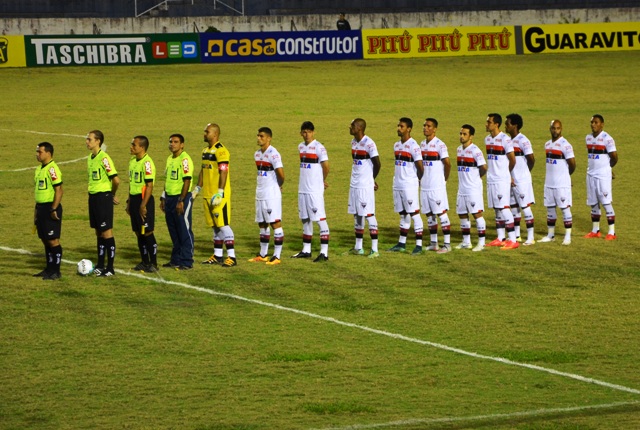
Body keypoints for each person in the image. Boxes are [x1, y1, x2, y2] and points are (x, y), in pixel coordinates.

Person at [196, 123, 237, 267]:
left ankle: (232, 256)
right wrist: (197, 188)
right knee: (215, 226)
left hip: (219, 195)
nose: (204, 134)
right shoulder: (205, 150)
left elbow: (224, 171)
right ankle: (218, 255)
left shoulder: (221, 151)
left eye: (206, 132)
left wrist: (220, 192)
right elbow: (203, 170)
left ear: (214, 134)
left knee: (223, 224)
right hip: (207, 194)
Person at [291, 121, 330, 262]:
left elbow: (326, 167)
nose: (307, 134)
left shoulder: (319, 148)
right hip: (302, 189)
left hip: (314, 191)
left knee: (320, 219)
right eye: (304, 132)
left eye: (309, 131)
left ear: (313, 132)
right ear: (301, 133)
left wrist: (321, 180)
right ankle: (306, 250)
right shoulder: (300, 147)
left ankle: (324, 253)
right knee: (305, 219)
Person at [247, 127, 285, 266]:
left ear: (269, 138)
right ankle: (263, 254)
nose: (258, 138)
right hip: (260, 194)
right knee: (262, 224)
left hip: (271, 195)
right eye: (258, 135)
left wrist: (278, 186)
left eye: (261, 136)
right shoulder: (257, 154)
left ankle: (277, 256)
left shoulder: (274, 154)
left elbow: (281, 174)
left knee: (275, 223)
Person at [388, 117, 424, 254]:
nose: (398, 128)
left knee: (414, 213)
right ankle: (401, 244)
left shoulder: (414, 146)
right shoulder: (396, 145)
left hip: (409, 184)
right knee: (403, 214)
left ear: (409, 129)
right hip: (397, 184)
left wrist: (417, 181)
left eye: (401, 126)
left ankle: (419, 245)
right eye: (398, 126)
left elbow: (420, 167)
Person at [86, 130, 120, 277]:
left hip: (103, 198)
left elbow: (116, 180)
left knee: (106, 232)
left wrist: (111, 195)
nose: (87, 142)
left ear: (98, 141)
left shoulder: (104, 158)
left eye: (89, 139)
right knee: (98, 232)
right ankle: (100, 264)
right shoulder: (90, 158)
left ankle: (110, 268)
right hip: (93, 197)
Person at [346, 118, 381, 258]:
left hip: (365, 186)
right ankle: (358, 247)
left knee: (369, 214)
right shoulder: (353, 142)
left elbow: (377, 164)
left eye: (352, 125)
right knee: (357, 214)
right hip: (354, 184)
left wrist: (372, 180)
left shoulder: (369, 144)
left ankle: (374, 249)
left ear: (359, 128)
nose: (350, 127)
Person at [160, 133, 195, 270]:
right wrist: (163, 197)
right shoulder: (170, 159)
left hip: (181, 198)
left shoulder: (185, 159)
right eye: (170, 141)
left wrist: (181, 200)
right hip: (169, 198)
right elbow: (168, 179)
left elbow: (187, 180)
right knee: (173, 230)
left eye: (175, 142)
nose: (172, 144)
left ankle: (187, 261)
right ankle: (175, 259)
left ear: (182, 145)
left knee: (184, 230)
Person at [484, 113, 519, 250]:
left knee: (504, 207)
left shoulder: (505, 139)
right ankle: (500, 237)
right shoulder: (487, 139)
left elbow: (512, 159)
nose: (487, 124)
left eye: (489, 122)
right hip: (491, 179)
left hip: (501, 180)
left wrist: (506, 174)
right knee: (497, 209)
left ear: (496, 124)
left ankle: (513, 240)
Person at [540, 120, 576, 245]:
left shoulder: (566, 145)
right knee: (550, 209)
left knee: (565, 209)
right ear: (550, 129)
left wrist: (566, 177)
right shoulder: (547, 144)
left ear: (561, 129)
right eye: (553, 128)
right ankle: (550, 235)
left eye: (558, 128)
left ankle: (567, 236)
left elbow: (572, 164)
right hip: (549, 183)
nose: (555, 131)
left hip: (561, 184)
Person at [419, 118, 452, 253]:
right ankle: (434, 243)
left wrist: (444, 180)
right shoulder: (421, 144)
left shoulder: (440, 145)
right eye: (424, 125)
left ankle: (447, 244)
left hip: (436, 186)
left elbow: (448, 163)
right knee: (429, 214)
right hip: (424, 185)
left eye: (429, 126)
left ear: (435, 129)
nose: (425, 128)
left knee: (441, 213)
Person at [126, 135, 158, 273]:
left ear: (142, 147)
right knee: (138, 232)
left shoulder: (147, 163)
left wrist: (143, 205)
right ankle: (144, 261)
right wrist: (129, 202)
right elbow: (132, 183)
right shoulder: (132, 161)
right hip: (134, 200)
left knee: (148, 232)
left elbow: (149, 186)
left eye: (134, 145)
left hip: (144, 200)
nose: (131, 147)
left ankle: (154, 263)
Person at [584, 114, 618, 240]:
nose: (593, 124)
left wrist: (608, 169)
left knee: (605, 202)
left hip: (602, 176)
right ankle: (595, 230)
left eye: (596, 122)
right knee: (593, 203)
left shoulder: (607, 139)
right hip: (590, 175)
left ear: (602, 124)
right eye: (592, 122)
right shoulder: (588, 138)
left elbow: (614, 157)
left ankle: (611, 232)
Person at [33, 142, 63, 280]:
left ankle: (56, 271)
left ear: (48, 153)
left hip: (50, 208)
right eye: (37, 152)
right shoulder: (39, 169)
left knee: (53, 240)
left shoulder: (52, 169)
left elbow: (59, 190)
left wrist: (54, 208)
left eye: (40, 152)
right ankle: (49, 268)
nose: (37, 154)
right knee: (45, 239)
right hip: (41, 208)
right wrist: (36, 211)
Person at [455, 125, 488, 252]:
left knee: (477, 214)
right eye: (461, 133)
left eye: (464, 134)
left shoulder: (475, 150)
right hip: (462, 189)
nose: (462, 136)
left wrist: (476, 178)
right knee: (462, 214)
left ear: (471, 136)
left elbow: (484, 167)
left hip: (473, 189)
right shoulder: (459, 149)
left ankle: (481, 243)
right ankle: (466, 242)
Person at [505, 113, 536, 245]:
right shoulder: (507, 140)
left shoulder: (523, 140)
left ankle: (530, 237)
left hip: (521, 180)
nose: (506, 126)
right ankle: (517, 236)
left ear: (515, 126)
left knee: (525, 206)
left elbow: (531, 159)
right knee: (514, 207)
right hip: (510, 179)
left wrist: (524, 173)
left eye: (508, 124)